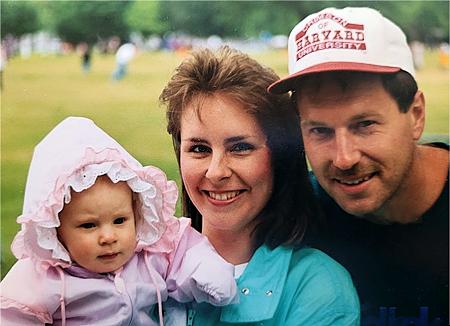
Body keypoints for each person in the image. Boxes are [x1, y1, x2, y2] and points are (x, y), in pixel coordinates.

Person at [268, 7, 449, 325]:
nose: (343, 158)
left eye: (364, 124)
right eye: (320, 130)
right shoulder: (295, 215)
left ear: (416, 115)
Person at [159, 46, 360, 325]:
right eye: (199, 149)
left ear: (280, 157)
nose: (216, 172)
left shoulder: (319, 289)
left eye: (240, 147)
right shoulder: (140, 263)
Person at [0, 116, 238, 326]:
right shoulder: (43, 277)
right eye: (89, 225)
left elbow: (186, 251)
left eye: (120, 220)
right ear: (55, 230)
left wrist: (212, 276)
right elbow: (11, 315)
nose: (108, 237)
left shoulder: (150, 255)